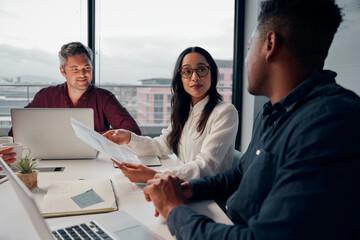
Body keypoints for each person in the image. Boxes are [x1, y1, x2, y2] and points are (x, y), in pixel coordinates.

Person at [142, 0, 360, 239]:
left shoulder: (331, 125)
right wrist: (189, 189)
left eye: (248, 47)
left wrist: (174, 210)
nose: (246, 59)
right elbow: (239, 175)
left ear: (269, 44)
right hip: (226, 218)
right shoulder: (272, 113)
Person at [103, 47, 239, 183]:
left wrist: (155, 176)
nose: (195, 77)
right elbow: (162, 145)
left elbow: (207, 166)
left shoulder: (225, 112)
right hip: (180, 185)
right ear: (180, 78)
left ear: (212, 74)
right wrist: (128, 138)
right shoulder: (185, 110)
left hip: (207, 194)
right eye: (187, 72)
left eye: (202, 69)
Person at [8, 42, 140, 135]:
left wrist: (94, 137)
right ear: (63, 71)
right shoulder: (46, 96)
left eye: (86, 68)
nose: (82, 74)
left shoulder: (104, 97)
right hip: (51, 157)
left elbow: (133, 132)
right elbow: (17, 131)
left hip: (95, 161)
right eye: (75, 69)